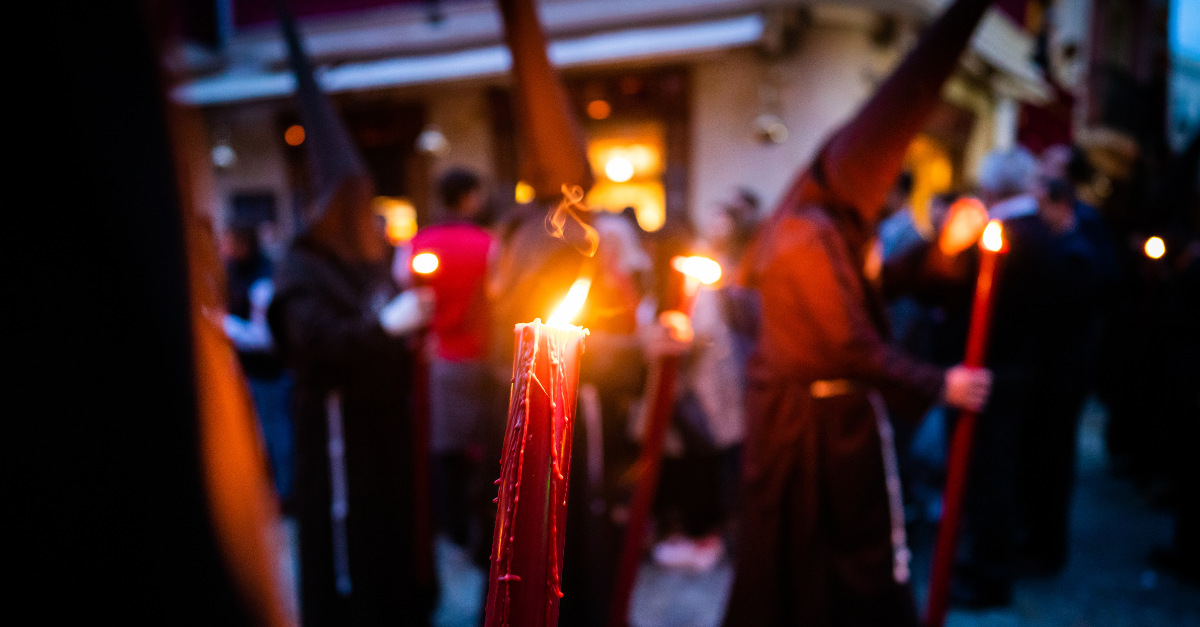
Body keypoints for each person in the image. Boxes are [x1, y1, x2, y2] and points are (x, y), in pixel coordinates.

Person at [721, 0, 995, 624]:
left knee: (848, 562)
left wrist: (945, 249)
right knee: (803, 562)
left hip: (837, 427)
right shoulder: (803, 235)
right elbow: (844, 340)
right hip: (804, 435)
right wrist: (938, 383)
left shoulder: (838, 228)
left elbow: (884, 285)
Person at [267, 5, 436, 624]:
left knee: (388, 538)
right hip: (338, 432)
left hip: (382, 425)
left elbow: (381, 316)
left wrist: (407, 319)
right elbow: (312, 339)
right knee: (351, 550)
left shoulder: (367, 261)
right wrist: (384, 326)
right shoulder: (302, 265)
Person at [399, 169, 496, 560]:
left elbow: (407, 296)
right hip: (482, 357)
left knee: (444, 447)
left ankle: (452, 528)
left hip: (438, 358)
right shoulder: (488, 244)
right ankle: (479, 529)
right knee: (481, 448)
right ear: (470, 197)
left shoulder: (418, 244)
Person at [222, 224, 295, 503]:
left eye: (229, 243)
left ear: (244, 244)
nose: (225, 250)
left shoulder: (262, 280)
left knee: (276, 433)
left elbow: (264, 337)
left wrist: (224, 324)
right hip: (250, 369)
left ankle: (285, 493)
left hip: (268, 372)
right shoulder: (236, 273)